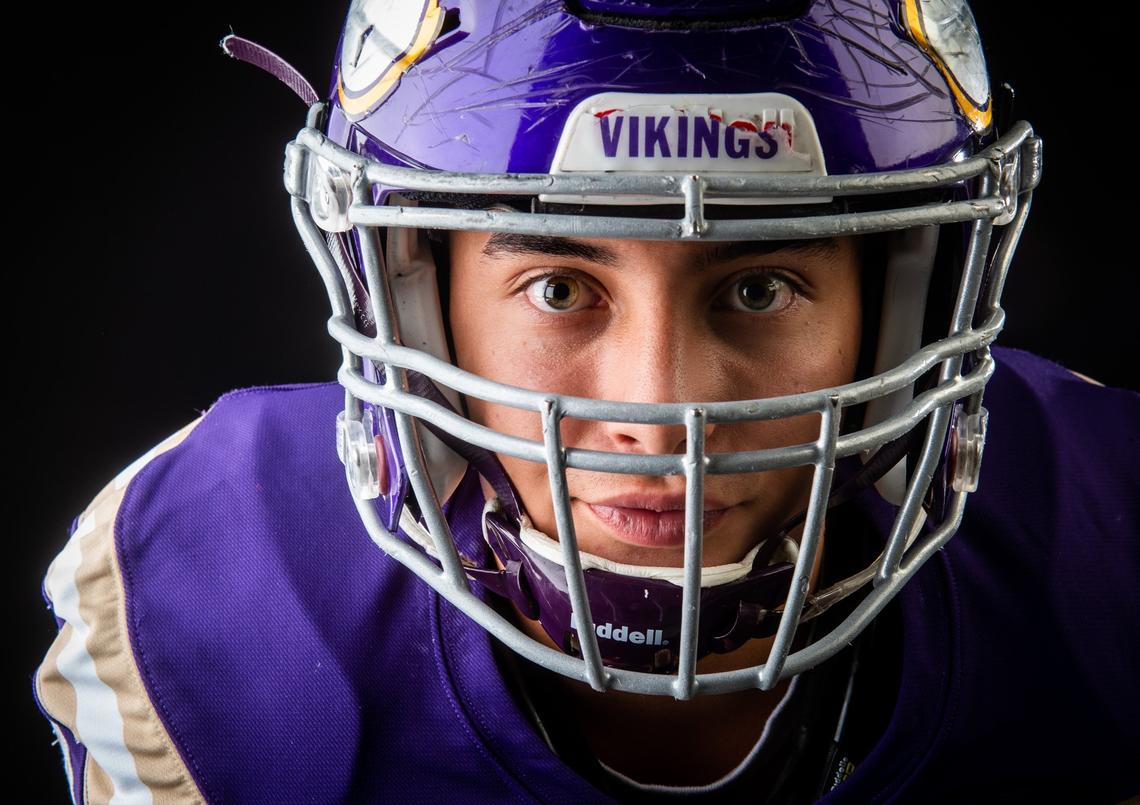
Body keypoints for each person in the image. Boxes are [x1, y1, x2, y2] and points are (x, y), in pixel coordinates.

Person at [33, 1, 1139, 802]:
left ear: (904, 298)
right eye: (560, 287)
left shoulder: (1111, 550)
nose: (659, 410)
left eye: (760, 286)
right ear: (419, 305)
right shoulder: (212, 614)